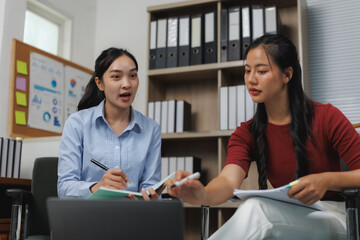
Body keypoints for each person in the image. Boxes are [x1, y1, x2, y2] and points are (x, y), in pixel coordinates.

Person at [167, 34, 360, 239]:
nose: (251, 79)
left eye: (261, 71)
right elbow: (227, 180)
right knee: (257, 209)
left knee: (257, 210)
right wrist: (203, 194)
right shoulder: (247, 132)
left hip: (337, 216)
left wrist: (326, 180)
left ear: (287, 74)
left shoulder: (327, 117)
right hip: (285, 215)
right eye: (247, 71)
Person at [58, 47, 163, 200]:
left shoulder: (151, 129)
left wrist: (151, 198)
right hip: (88, 218)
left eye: (133, 75)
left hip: (131, 217)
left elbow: (150, 185)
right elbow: (64, 188)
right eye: (116, 77)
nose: (127, 84)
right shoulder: (77, 124)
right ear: (100, 83)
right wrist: (97, 187)